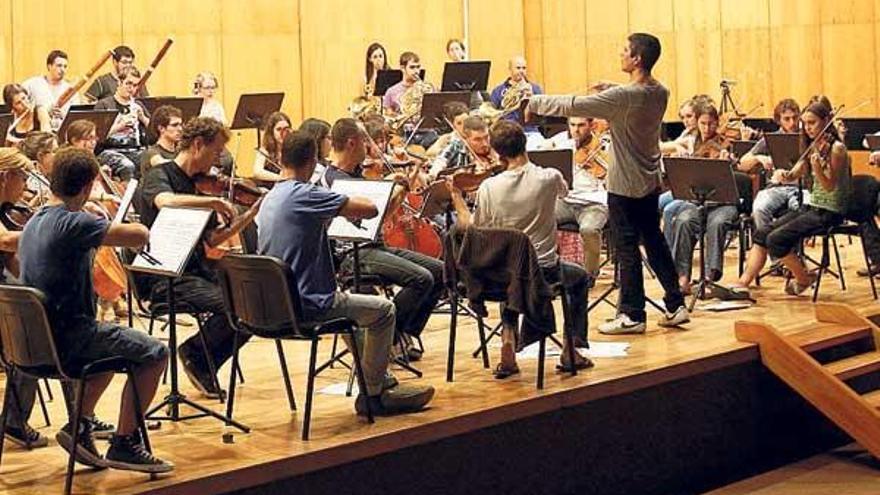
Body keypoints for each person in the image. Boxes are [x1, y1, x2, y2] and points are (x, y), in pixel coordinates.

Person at [256, 130, 435, 415]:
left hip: (273, 306)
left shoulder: (271, 196)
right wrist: (390, 186)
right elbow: (369, 209)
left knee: (350, 310)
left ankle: (378, 379)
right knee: (384, 310)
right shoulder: (305, 193)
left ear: (281, 158)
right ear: (313, 161)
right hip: (307, 305)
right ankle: (374, 396)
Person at [19, 146, 172, 472]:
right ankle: (125, 442)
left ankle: (80, 427)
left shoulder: (35, 221)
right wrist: (99, 215)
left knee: (105, 354)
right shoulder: (74, 224)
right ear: (88, 186)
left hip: (36, 343)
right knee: (156, 353)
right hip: (70, 340)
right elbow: (138, 236)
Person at [526, 32, 690, 334]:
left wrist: (534, 101)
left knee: (626, 247)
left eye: (625, 50)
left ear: (637, 59)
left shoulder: (624, 98)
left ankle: (632, 315)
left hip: (625, 185)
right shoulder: (659, 91)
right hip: (650, 180)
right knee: (654, 241)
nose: (620, 54)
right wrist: (612, 88)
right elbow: (632, 94)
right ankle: (675, 303)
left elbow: (576, 103)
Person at [450, 120, 593, 376]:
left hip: (501, 274)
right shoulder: (548, 177)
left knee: (512, 272)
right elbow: (564, 191)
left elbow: (476, 228)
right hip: (544, 271)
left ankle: (507, 335)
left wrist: (458, 197)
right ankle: (571, 348)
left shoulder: (488, 187)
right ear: (525, 145)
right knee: (580, 278)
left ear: (497, 152)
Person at [136, 117, 261, 398]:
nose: (218, 160)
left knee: (255, 300)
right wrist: (212, 202)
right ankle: (196, 355)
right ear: (197, 145)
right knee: (235, 305)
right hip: (164, 276)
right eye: (216, 151)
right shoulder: (160, 175)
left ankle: (202, 358)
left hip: (195, 269)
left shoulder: (197, 185)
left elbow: (211, 240)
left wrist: (247, 217)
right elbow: (165, 202)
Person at [320, 118, 444, 352]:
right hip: (353, 253)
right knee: (421, 279)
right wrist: (388, 187)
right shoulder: (335, 179)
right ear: (351, 143)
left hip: (374, 246)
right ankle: (385, 338)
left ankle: (397, 335)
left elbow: (381, 220)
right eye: (366, 141)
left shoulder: (354, 174)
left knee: (439, 271)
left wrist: (399, 190)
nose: (370, 148)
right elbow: (366, 219)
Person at [728, 96, 851, 297]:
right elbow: (796, 172)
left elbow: (829, 186)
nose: (808, 128)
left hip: (830, 211)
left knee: (777, 240)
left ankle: (803, 279)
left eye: (813, 123)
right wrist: (785, 175)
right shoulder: (813, 146)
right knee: (762, 233)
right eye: (806, 124)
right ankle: (743, 282)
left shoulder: (836, 149)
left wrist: (818, 168)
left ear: (825, 120)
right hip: (812, 206)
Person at [662, 102, 739, 295]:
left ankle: (710, 277)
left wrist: (728, 162)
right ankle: (682, 277)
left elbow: (740, 172)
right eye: (703, 124)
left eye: (711, 124)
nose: (707, 128)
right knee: (683, 220)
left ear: (717, 123)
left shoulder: (726, 144)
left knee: (718, 223)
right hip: (698, 201)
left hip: (723, 202)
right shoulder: (690, 141)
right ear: (697, 123)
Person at [547, 116, 609, 277]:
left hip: (594, 203)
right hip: (565, 200)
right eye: (572, 125)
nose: (576, 129)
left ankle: (589, 275)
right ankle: (548, 270)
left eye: (581, 125)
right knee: (539, 219)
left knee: (589, 229)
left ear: (591, 125)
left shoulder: (604, 145)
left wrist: (601, 164)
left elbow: (613, 175)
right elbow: (539, 150)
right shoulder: (561, 140)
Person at [94, 66, 149, 181]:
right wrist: (120, 126)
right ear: (119, 82)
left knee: (153, 161)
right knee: (127, 166)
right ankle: (128, 198)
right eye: (128, 83)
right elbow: (97, 137)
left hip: (135, 149)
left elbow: (155, 131)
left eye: (135, 85)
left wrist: (143, 118)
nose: (131, 88)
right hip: (108, 151)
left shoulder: (138, 104)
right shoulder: (104, 105)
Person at [427, 115, 499, 181]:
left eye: (486, 137)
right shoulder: (456, 145)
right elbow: (440, 162)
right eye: (477, 140)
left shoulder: (495, 144)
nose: (485, 144)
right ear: (465, 139)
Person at [21, 50, 78, 130]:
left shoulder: (70, 90)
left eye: (65, 66)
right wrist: (44, 113)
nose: (62, 70)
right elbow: (20, 108)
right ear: (49, 66)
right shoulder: (32, 84)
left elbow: (76, 117)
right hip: (38, 133)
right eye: (59, 66)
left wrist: (63, 114)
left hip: (63, 132)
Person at [490, 56, 542, 141]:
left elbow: (541, 114)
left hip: (530, 131)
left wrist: (531, 99)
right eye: (518, 68)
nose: (521, 71)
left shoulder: (535, 89)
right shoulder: (498, 90)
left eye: (524, 68)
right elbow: (491, 112)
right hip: (507, 133)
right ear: (510, 69)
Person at [139, 105, 182, 176]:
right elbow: (162, 164)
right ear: (161, 128)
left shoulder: (180, 151)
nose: (180, 129)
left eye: (180, 125)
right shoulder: (151, 152)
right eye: (174, 125)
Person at [252, 111, 291, 183]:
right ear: (271, 132)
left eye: (286, 128)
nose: (283, 133)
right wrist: (280, 178)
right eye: (279, 129)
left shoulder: (293, 149)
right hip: (268, 189)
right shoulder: (265, 150)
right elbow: (257, 172)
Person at [298, 117, 332, 182]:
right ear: (318, 139)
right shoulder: (311, 171)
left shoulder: (327, 164)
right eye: (329, 138)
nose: (332, 142)